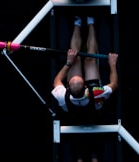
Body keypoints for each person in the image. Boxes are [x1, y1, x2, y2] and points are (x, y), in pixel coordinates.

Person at [51, 16, 119, 162]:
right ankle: (91, 24)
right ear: (86, 86)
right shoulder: (97, 93)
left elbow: (56, 81)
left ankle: (77, 23)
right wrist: (112, 64)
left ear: (68, 87)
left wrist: (68, 63)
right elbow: (114, 84)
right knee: (91, 59)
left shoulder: (63, 96)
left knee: (74, 58)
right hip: (92, 107)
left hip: (81, 108)